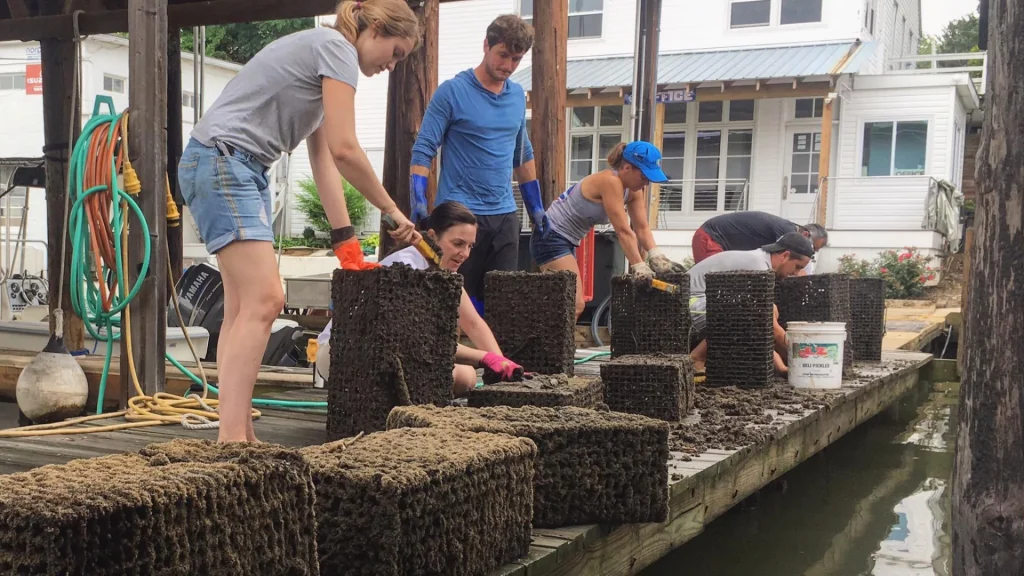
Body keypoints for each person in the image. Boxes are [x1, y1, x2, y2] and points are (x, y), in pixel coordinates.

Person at [177, 0, 422, 443]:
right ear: (378, 28)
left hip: (224, 162)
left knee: (241, 309)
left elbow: (325, 155)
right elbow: (348, 150)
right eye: (396, 53)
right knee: (267, 300)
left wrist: (346, 241)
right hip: (226, 161)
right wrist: (392, 211)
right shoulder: (337, 49)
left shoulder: (324, 55)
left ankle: (238, 433)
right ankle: (233, 441)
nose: (392, 65)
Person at [409, 14, 545, 316]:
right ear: (486, 45)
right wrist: (418, 201)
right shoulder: (452, 92)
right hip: (460, 215)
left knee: (501, 302)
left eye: (516, 59)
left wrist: (536, 208)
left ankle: (495, 363)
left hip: (504, 214)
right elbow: (424, 149)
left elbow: (521, 153)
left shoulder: (516, 97)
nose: (508, 66)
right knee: (453, 303)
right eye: (503, 55)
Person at [316, 201, 524, 396]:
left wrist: (504, 366)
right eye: (458, 243)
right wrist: (485, 358)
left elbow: (474, 324)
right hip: (341, 354)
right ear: (432, 237)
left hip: (386, 357)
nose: (465, 254)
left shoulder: (445, 273)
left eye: (470, 246)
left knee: (465, 376)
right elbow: (419, 341)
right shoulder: (405, 267)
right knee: (454, 375)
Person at [531, 141, 687, 319]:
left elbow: (642, 228)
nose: (645, 184)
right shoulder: (609, 181)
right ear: (627, 168)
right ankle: (551, 346)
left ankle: (549, 343)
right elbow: (623, 230)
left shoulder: (634, 190)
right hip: (550, 237)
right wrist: (639, 266)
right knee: (573, 303)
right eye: (643, 177)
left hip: (567, 241)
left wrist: (656, 255)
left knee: (560, 303)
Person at [687, 232, 815, 375]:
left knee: (769, 309)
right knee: (750, 314)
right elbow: (767, 326)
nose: (796, 273)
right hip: (690, 304)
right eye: (797, 267)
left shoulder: (760, 260)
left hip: (705, 302)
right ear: (785, 256)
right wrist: (805, 358)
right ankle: (696, 358)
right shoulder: (758, 266)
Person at [692, 211, 828, 269]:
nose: (809, 252)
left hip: (724, 245)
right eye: (811, 247)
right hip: (710, 238)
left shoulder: (786, 230)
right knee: (714, 282)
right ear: (805, 234)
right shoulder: (787, 232)